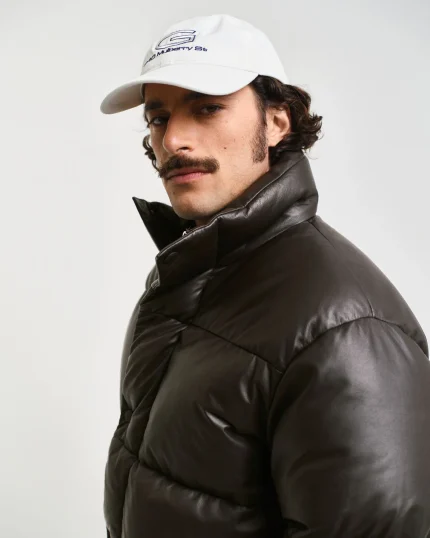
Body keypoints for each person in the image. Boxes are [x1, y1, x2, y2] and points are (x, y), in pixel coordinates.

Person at [100, 13, 430, 538]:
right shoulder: (187, 277)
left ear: (277, 122)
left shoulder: (345, 330)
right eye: (158, 118)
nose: (174, 139)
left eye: (207, 108)